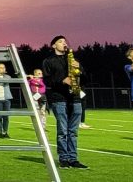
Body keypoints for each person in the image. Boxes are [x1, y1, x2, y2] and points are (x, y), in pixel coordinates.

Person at [42, 35, 87, 169]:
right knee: (63, 131)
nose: (64, 43)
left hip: (75, 98)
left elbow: (85, 79)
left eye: (65, 41)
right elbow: (47, 81)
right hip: (59, 98)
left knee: (73, 131)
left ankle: (73, 159)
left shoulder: (73, 59)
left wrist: (80, 68)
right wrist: (62, 81)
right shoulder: (48, 61)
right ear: (54, 46)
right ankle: (64, 158)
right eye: (60, 42)